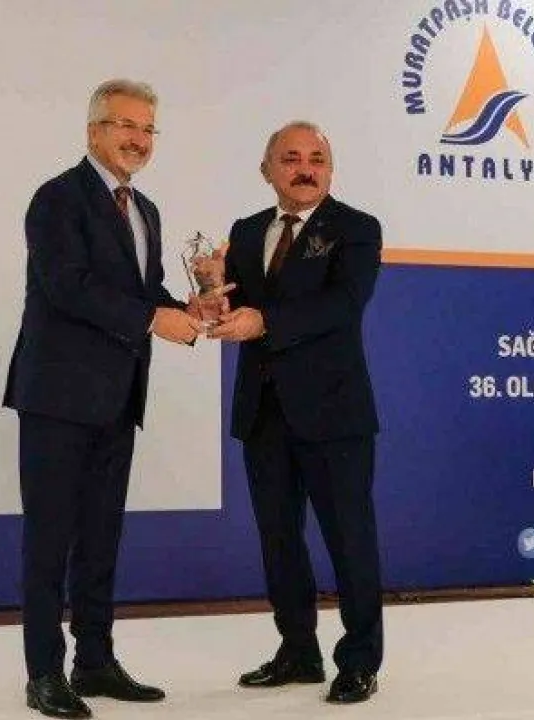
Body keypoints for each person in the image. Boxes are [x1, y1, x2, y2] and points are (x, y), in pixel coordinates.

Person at [3, 79, 201, 719]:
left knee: (100, 538)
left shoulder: (146, 211)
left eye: (148, 129)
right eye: (125, 125)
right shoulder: (57, 199)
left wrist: (192, 310)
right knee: (49, 540)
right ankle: (43, 674)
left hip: (118, 398)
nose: (138, 139)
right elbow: (69, 287)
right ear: (94, 131)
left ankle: (94, 661)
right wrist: (152, 320)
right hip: (58, 398)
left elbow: (144, 294)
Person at [209, 121, 385, 704]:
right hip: (263, 412)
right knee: (279, 540)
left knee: (349, 539)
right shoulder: (246, 230)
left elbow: (343, 305)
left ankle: (359, 661)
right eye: (290, 158)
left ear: (330, 171)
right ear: (266, 170)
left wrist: (264, 321)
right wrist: (213, 292)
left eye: (316, 159)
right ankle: (298, 651)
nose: (304, 169)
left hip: (335, 415)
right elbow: (236, 306)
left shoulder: (356, 229)